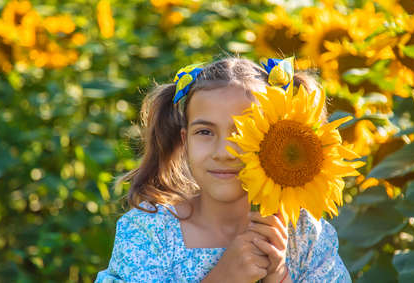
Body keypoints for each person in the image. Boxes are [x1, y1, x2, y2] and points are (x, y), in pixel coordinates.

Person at [95, 57, 352, 283]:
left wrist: (278, 275)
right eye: (205, 132)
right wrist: (224, 278)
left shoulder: (305, 237)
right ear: (185, 141)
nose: (223, 152)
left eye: (243, 132)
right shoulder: (149, 234)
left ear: (278, 137)